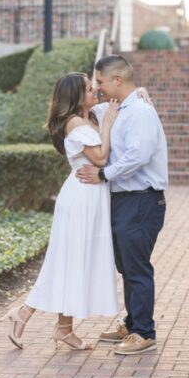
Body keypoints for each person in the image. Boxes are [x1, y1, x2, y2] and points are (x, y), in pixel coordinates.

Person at [6, 73, 120, 351]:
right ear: (77, 96)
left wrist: (137, 95)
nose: (95, 91)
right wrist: (108, 124)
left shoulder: (89, 117)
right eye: (89, 88)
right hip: (80, 198)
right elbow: (101, 158)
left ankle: (64, 329)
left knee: (75, 261)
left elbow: (118, 99)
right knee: (67, 260)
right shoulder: (75, 123)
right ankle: (23, 312)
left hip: (91, 196)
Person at [76, 55, 169, 356]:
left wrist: (103, 174)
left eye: (100, 81)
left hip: (142, 200)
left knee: (137, 267)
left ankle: (144, 333)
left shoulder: (140, 112)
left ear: (117, 80)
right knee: (126, 266)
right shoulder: (116, 108)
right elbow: (86, 107)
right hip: (123, 200)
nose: (98, 88)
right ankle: (132, 324)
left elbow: (138, 156)